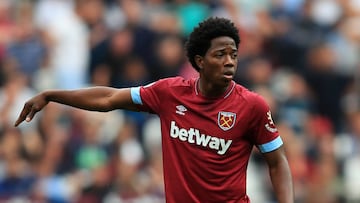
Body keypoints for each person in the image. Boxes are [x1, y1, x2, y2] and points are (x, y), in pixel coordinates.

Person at [15, 17, 294, 203]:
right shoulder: (170, 93)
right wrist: (52, 95)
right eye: (220, 55)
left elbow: (277, 160)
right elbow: (109, 98)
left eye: (233, 54)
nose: (230, 62)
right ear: (199, 61)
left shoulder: (251, 106)